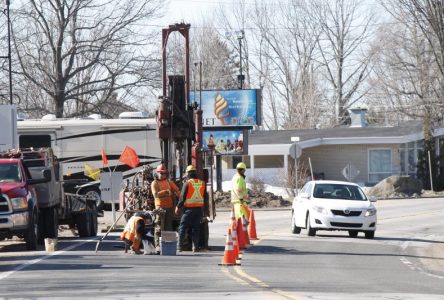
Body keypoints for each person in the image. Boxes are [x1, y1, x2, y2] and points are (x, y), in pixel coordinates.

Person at [175, 165, 208, 252]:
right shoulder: (202, 183)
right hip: (198, 210)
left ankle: (180, 247)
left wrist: (178, 207)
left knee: (182, 227)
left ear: (188, 173)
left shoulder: (187, 183)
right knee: (196, 228)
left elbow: (182, 197)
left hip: (188, 210)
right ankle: (195, 247)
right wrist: (205, 211)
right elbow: (205, 197)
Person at [151, 164, 180, 252]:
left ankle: (168, 245)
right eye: (161, 173)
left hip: (169, 208)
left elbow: (177, 190)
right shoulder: (154, 183)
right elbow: (155, 195)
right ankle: (157, 246)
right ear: (157, 173)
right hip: (160, 209)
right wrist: (166, 192)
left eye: (164, 173)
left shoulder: (169, 182)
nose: (162, 175)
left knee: (168, 227)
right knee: (159, 227)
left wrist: (181, 198)